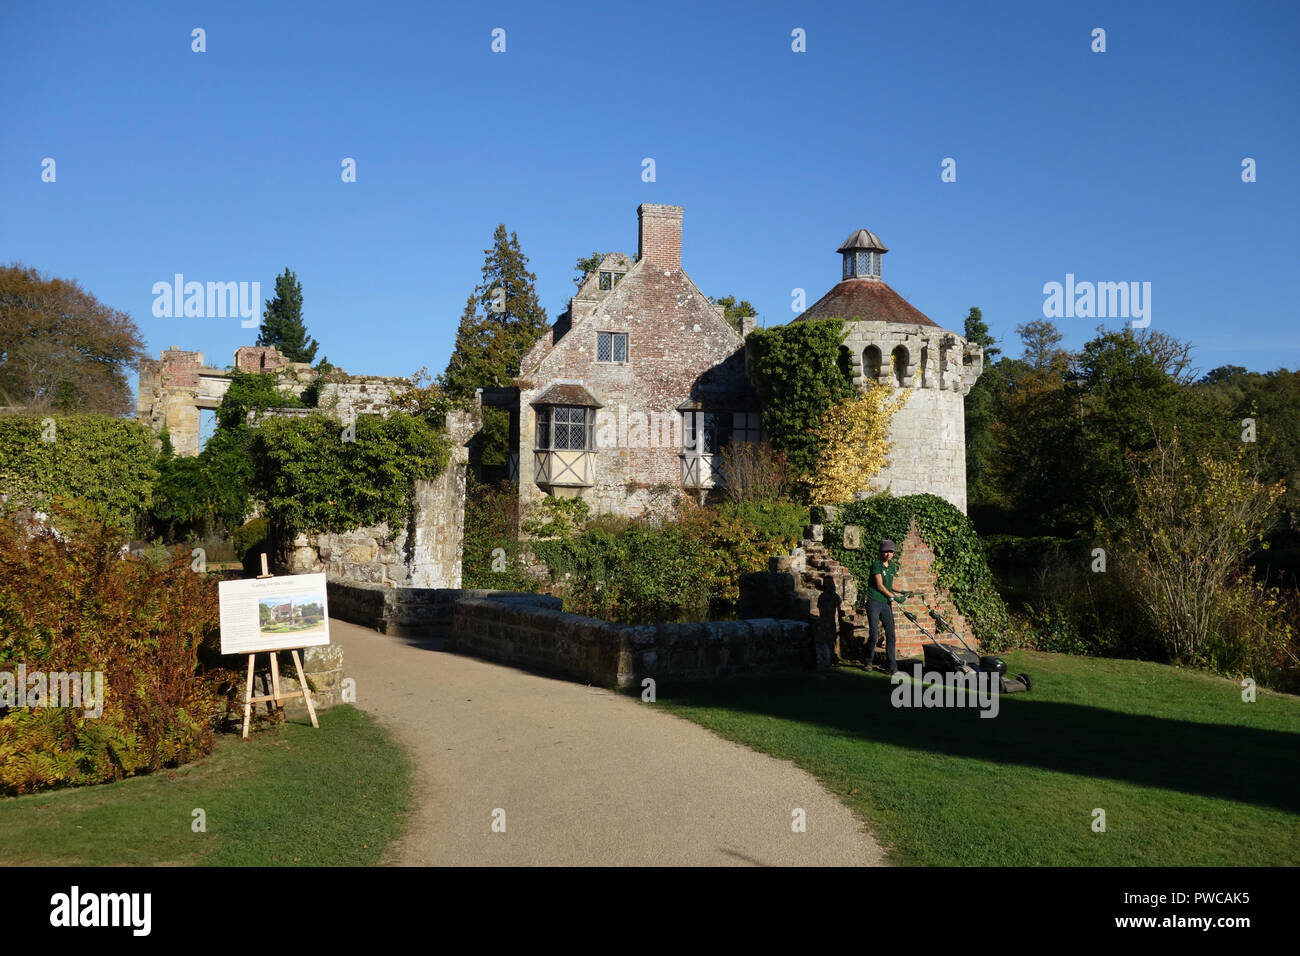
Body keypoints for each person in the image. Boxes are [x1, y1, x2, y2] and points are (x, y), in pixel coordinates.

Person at [866, 539, 906, 674]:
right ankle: (868, 661)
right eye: (885, 552)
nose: (888, 554)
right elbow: (880, 586)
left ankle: (892, 666)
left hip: (886, 604)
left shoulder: (891, 567)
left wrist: (902, 591)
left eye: (890, 552)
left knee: (891, 634)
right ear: (880, 552)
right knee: (874, 633)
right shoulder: (877, 565)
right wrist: (894, 597)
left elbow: (890, 585)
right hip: (874, 601)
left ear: (893, 553)